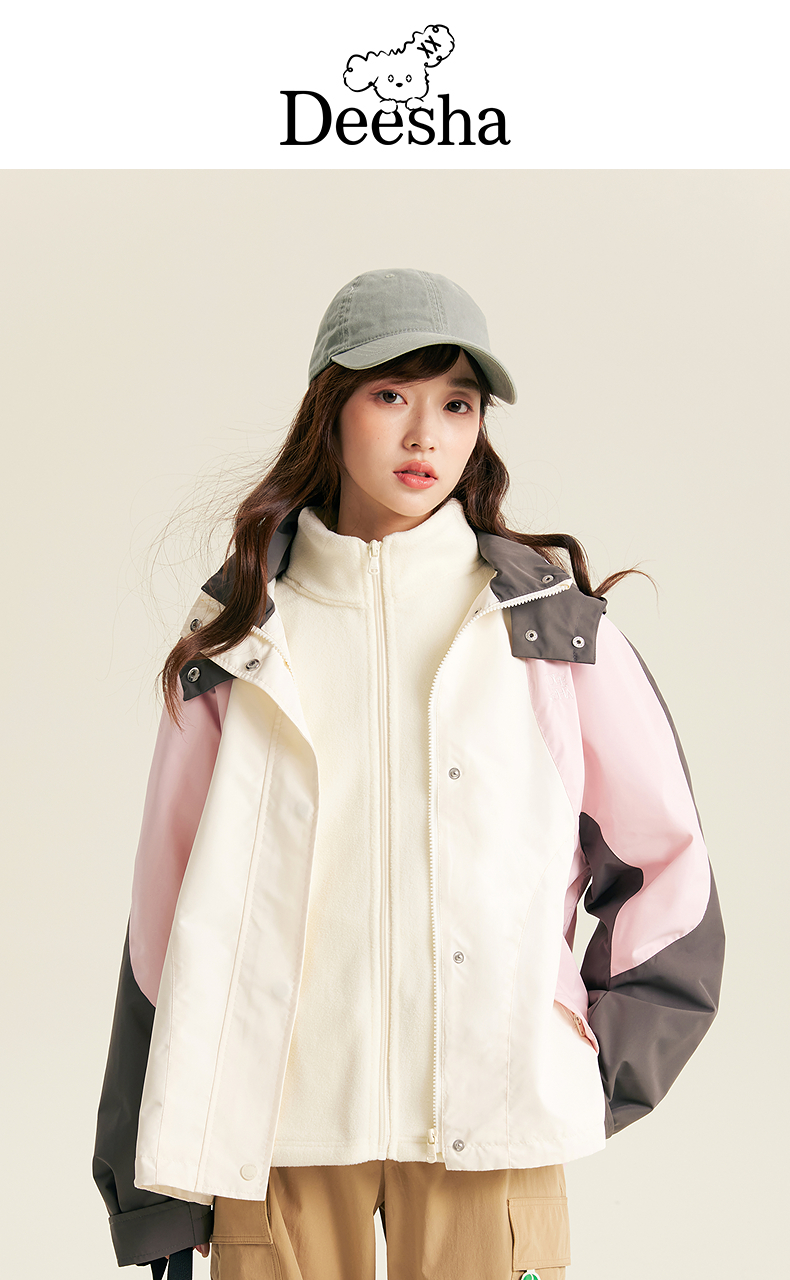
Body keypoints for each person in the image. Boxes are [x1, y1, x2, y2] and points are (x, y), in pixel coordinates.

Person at [93, 268, 725, 1280]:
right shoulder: (241, 638)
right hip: (276, 1134)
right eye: (391, 395)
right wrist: (152, 1187)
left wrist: (586, 1065)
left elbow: (667, 870)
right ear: (330, 409)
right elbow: (163, 927)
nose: (425, 434)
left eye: (457, 404)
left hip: (492, 1126)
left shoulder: (550, 632)